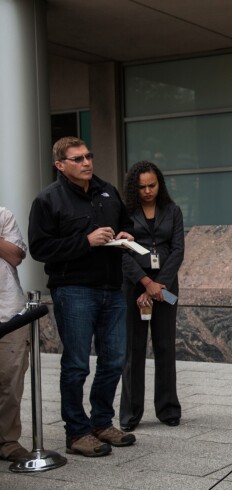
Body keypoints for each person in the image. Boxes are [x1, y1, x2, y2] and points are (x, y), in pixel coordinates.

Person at [29, 137, 137, 457]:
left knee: (114, 360)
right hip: (73, 290)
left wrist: (126, 235)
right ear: (60, 165)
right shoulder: (48, 200)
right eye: (77, 159)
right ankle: (76, 432)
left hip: (111, 288)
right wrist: (85, 240)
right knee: (76, 364)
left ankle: (102, 423)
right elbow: (41, 249)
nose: (86, 162)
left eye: (88, 155)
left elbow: (127, 225)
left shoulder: (108, 191)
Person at [120, 161, 185, 432]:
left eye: (152, 185)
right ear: (134, 188)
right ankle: (131, 414)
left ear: (160, 184)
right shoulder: (124, 212)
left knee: (165, 346)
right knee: (133, 350)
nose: (148, 191)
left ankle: (168, 410)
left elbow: (178, 249)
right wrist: (146, 282)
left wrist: (159, 285)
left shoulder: (173, 210)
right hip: (135, 285)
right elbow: (121, 252)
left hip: (166, 288)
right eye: (142, 187)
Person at [0, 207, 31, 461]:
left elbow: (15, 256)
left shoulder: (3, 215)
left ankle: (8, 441)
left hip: (9, 312)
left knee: (11, 381)